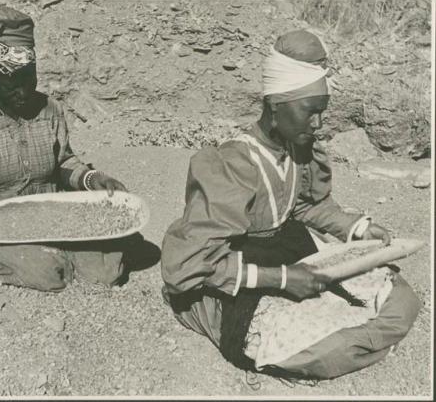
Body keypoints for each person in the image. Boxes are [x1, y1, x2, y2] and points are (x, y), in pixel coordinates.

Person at [160, 30, 421, 380]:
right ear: (275, 104)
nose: (318, 124)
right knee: (328, 348)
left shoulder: (299, 147)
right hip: (236, 268)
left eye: (322, 113)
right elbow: (185, 266)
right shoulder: (233, 164)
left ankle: (360, 335)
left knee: (400, 295)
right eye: (310, 112)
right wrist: (283, 280)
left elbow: (300, 207)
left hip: (286, 247)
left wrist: (356, 228)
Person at [0, 5, 131, 292]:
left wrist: (93, 179)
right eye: (11, 84)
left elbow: (64, 163)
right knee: (48, 272)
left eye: (29, 79)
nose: (24, 93)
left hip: (49, 211)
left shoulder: (49, 108)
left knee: (106, 270)